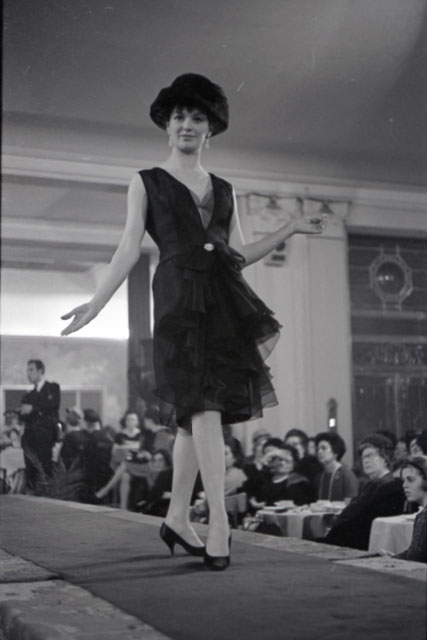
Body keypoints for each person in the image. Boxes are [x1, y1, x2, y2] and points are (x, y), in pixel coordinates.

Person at [61, 73, 327, 570]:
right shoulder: (146, 181)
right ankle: (219, 522)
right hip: (179, 300)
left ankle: (178, 517)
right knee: (204, 409)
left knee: (195, 414)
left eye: (197, 117)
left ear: (210, 129)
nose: (187, 124)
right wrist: (96, 303)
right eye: (179, 116)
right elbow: (127, 249)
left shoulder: (224, 188)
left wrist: (289, 227)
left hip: (223, 300)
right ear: (167, 125)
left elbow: (238, 254)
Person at [323, 434, 405, 550]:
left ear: (385, 458)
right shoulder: (387, 483)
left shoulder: (380, 485)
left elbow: (350, 516)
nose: (365, 461)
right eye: (363, 458)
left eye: (370, 455)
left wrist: (332, 528)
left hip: (359, 543)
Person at [20, 359, 61, 486]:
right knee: (31, 474)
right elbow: (24, 415)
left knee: (45, 472)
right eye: (27, 370)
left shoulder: (52, 388)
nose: (28, 373)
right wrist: (21, 412)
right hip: (30, 439)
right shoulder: (28, 395)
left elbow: (53, 404)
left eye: (31, 370)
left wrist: (32, 408)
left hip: (45, 438)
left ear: (40, 371)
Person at [250, 443, 312, 508]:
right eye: (279, 459)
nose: (282, 463)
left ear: (294, 463)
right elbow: (251, 491)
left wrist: (265, 504)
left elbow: (291, 503)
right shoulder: (265, 478)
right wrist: (267, 458)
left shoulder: (298, 481)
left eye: (287, 460)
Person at [393, 457, 427, 563]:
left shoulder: (424, 517)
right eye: (403, 481)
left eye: (410, 480)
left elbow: (415, 558)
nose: (404, 485)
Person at [314, 432, 359, 502]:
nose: (319, 452)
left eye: (323, 448)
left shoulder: (347, 475)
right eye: (317, 449)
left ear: (335, 451)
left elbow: (351, 503)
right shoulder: (319, 477)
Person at [284, 428, 321, 501]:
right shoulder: (282, 465)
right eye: (287, 445)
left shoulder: (312, 465)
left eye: (295, 444)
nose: (290, 448)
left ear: (304, 447)